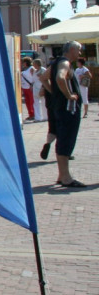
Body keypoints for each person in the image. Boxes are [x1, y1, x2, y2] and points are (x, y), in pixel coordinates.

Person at [49, 41, 86, 187]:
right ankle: (65, 177)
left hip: (61, 107)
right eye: (78, 50)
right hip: (68, 109)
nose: (80, 53)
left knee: (63, 140)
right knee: (66, 140)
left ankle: (62, 175)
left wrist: (55, 94)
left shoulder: (57, 62)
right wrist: (68, 95)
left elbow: (44, 78)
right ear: (71, 49)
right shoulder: (64, 63)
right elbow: (60, 77)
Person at [20, 57, 36, 122]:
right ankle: (30, 114)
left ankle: (34, 114)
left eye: (23, 62)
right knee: (27, 102)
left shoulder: (31, 68)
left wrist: (33, 85)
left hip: (30, 87)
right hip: (24, 87)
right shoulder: (24, 69)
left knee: (31, 101)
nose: (22, 63)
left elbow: (35, 77)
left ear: (26, 62)